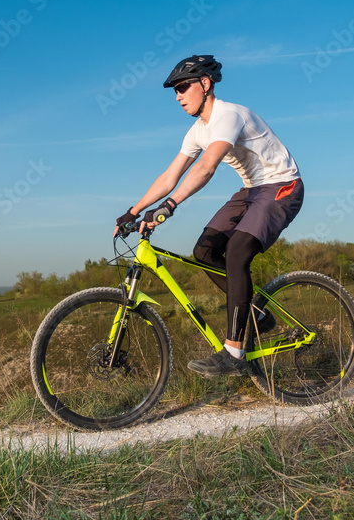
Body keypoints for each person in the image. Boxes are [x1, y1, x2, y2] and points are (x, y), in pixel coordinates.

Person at [113, 55, 304, 377]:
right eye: (175, 90)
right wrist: (132, 212)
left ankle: (234, 354)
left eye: (183, 87)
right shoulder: (197, 131)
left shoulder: (228, 115)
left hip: (282, 186)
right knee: (204, 251)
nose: (178, 96)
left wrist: (169, 206)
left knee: (238, 252)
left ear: (205, 84)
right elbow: (170, 176)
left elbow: (207, 167)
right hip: (251, 190)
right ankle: (256, 314)